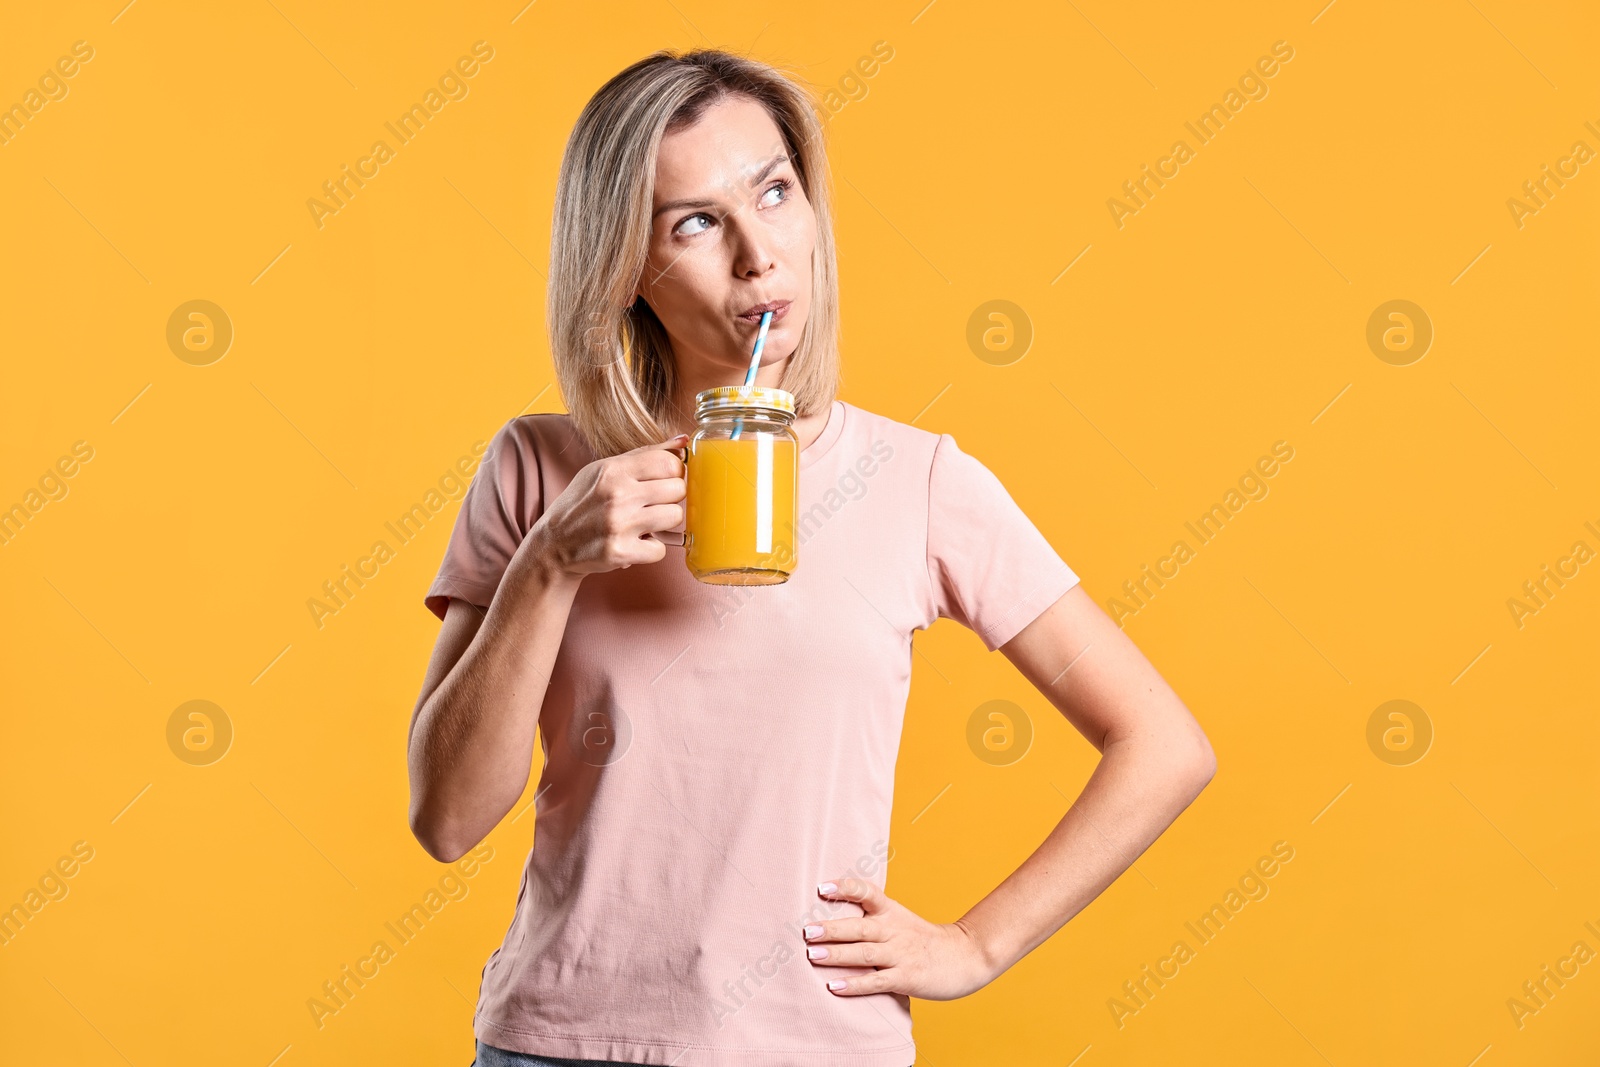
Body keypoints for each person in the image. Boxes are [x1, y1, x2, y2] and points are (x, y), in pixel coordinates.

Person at [406, 47, 1216, 1067]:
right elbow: (446, 817)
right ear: (621, 268)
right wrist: (549, 562)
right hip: (561, 1043)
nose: (758, 255)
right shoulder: (541, 468)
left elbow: (1163, 742)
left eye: (775, 192)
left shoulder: (915, 479)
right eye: (693, 222)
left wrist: (973, 943)